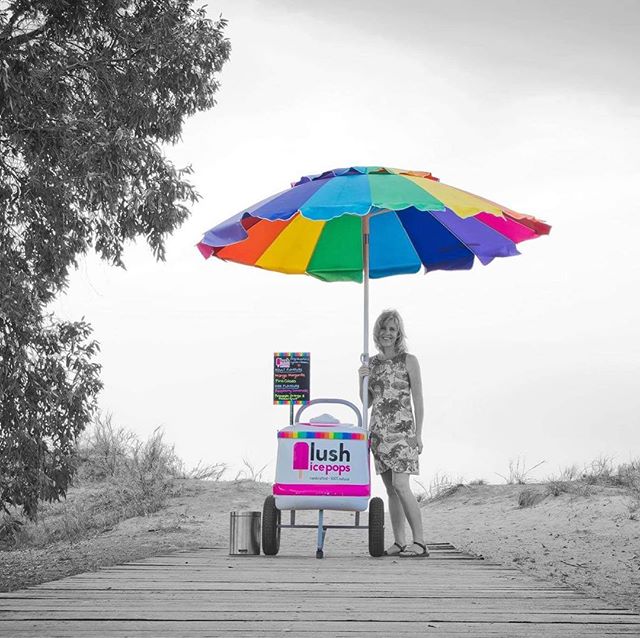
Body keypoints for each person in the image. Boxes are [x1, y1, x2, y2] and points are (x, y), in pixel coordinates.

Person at [358, 309, 428, 558]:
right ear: (377, 331)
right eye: (384, 328)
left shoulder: (409, 360)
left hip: (402, 432)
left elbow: (418, 399)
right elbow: (366, 401)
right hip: (378, 432)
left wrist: (418, 434)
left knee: (401, 484)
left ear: (399, 333)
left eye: (392, 329)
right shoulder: (372, 363)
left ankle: (419, 542)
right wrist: (362, 378)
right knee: (390, 490)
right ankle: (399, 542)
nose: (387, 333)